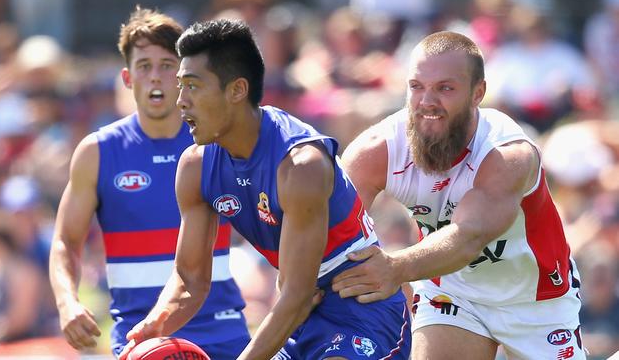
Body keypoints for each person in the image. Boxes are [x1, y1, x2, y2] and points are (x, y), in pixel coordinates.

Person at [119, 19, 411, 360]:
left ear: (237, 90)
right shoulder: (195, 166)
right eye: (180, 86)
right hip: (297, 313)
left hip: (362, 310)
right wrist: (155, 325)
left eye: (193, 87)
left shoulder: (301, 166)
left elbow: (298, 295)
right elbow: (190, 281)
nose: (180, 100)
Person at [332, 30, 585, 359]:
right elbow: (328, 230)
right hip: (453, 293)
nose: (427, 102)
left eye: (445, 88)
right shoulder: (375, 151)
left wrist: (393, 268)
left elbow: (468, 237)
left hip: (537, 298)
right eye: (416, 87)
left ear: (478, 92)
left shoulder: (508, 155)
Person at [48, 7, 250, 358]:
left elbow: (272, 217)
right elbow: (66, 241)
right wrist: (67, 303)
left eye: (167, 65)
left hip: (223, 333)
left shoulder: (219, 146)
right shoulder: (98, 152)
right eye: (144, 66)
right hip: (141, 339)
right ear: (128, 78)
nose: (155, 77)